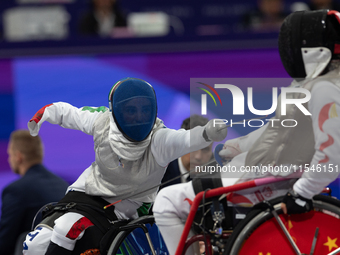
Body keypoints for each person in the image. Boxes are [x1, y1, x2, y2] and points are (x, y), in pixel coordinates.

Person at [153, 9, 340, 254]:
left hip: (267, 182)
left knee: (166, 202)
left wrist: (302, 193)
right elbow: (278, 133)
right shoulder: (318, 84)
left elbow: (332, 152)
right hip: (268, 173)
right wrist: (237, 145)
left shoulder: (324, 89)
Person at [22, 78, 228, 255]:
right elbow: (68, 113)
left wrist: (208, 133)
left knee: (67, 228)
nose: (139, 117)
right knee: (34, 244)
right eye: (131, 110)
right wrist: (42, 115)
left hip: (129, 203)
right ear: (117, 110)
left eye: (144, 110)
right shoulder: (101, 122)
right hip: (87, 190)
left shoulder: (160, 140)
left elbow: (186, 139)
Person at [0, 130, 69, 255]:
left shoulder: (15, 190)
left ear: (18, 156)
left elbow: (4, 243)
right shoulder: (64, 185)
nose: (9, 160)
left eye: (10, 155)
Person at [161, 115, 213, 189]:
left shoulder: (215, 179)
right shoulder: (159, 171)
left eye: (205, 149)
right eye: (193, 147)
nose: (198, 156)